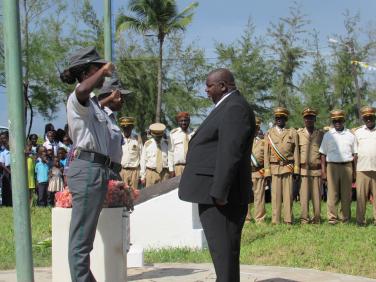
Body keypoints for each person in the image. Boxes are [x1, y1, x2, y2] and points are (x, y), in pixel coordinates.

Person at [179, 68, 255, 282]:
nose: (206, 90)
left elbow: (230, 151)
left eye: (209, 85)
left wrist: (220, 192)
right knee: (223, 255)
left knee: (224, 254)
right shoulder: (228, 106)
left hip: (221, 197)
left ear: (223, 86)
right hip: (214, 193)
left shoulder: (235, 107)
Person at [60, 46, 113, 281]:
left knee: (85, 238)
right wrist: (103, 71)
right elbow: (82, 89)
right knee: (81, 240)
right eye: (95, 68)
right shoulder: (77, 97)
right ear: (85, 72)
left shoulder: (92, 104)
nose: (101, 73)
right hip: (88, 169)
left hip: (97, 169)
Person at [264, 107, 300, 224]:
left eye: (282, 117)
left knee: (288, 195)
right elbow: (266, 154)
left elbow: (296, 152)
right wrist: (267, 171)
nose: (279, 119)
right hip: (274, 168)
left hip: (288, 167)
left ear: (286, 119)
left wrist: (296, 169)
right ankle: (276, 220)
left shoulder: (292, 132)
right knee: (275, 196)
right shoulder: (269, 133)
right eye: (277, 118)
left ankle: (288, 219)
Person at [319, 109, 356, 224]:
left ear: (343, 120)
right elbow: (323, 154)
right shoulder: (328, 135)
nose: (337, 123)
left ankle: (345, 218)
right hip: (332, 167)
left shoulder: (350, 135)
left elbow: (355, 154)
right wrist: (323, 171)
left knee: (346, 194)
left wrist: (354, 171)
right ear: (332, 122)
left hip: (347, 166)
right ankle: (332, 218)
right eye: (335, 121)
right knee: (332, 194)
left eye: (339, 120)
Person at [97, 78, 131, 180]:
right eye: (120, 97)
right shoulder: (99, 116)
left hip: (113, 171)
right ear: (110, 96)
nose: (123, 101)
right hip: (103, 172)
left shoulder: (111, 118)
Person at [297, 108, 324, 224]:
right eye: (306, 118)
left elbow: (323, 153)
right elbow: (296, 152)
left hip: (316, 171)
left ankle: (317, 218)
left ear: (315, 119)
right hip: (303, 171)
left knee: (317, 197)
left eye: (311, 118)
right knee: (303, 197)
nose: (309, 120)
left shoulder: (321, 134)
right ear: (304, 120)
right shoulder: (298, 134)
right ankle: (304, 219)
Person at [354, 106, 376, 225]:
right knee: (361, 198)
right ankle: (360, 220)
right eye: (366, 118)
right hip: (362, 169)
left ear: (374, 117)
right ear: (363, 119)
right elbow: (355, 153)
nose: (368, 120)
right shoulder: (358, 132)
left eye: (370, 117)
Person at [140, 123, 169, 188]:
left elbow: (170, 158)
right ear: (152, 134)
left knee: (164, 194)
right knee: (150, 195)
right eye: (156, 136)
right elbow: (143, 160)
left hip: (164, 173)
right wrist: (143, 176)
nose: (158, 138)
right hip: (151, 173)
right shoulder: (147, 144)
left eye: (159, 136)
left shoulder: (167, 144)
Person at [249, 117, 266, 223]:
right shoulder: (244, 141)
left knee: (259, 197)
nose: (254, 129)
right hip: (246, 173)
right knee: (246, 197)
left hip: (259, 172)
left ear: (258, 128)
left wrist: (265, 171)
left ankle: (259, 218)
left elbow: (266, 158)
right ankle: (246, 218)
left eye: (256, 127)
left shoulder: (263, 142)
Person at [168, 112, 193, 177]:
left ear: (189, 121)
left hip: (191, 166)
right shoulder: (173, 134)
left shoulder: (193, 133)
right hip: (178, 168)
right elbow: (170, 152)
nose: (183, 123)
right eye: (181, 121)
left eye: (185, 120)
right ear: (178, 122)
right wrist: (171, 169)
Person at [119, 117, 142, 189]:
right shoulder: (118, 138)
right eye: (124, 127)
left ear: (132, 127)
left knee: (133, 195)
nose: (126, 129)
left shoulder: (137, 139)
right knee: (121, 194)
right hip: (122, 171)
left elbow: (142, 157)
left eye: (128, 127)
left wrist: (141, 174)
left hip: (134, 172)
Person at [0, 132, 11, 206]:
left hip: (15, 168)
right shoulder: (2, 151)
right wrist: (9, 172)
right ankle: (6, 203)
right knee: (6, 187)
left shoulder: (13, 149)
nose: (3, 140)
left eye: (4, 138)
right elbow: (2, 163)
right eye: (1, 138)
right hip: (6, 170)